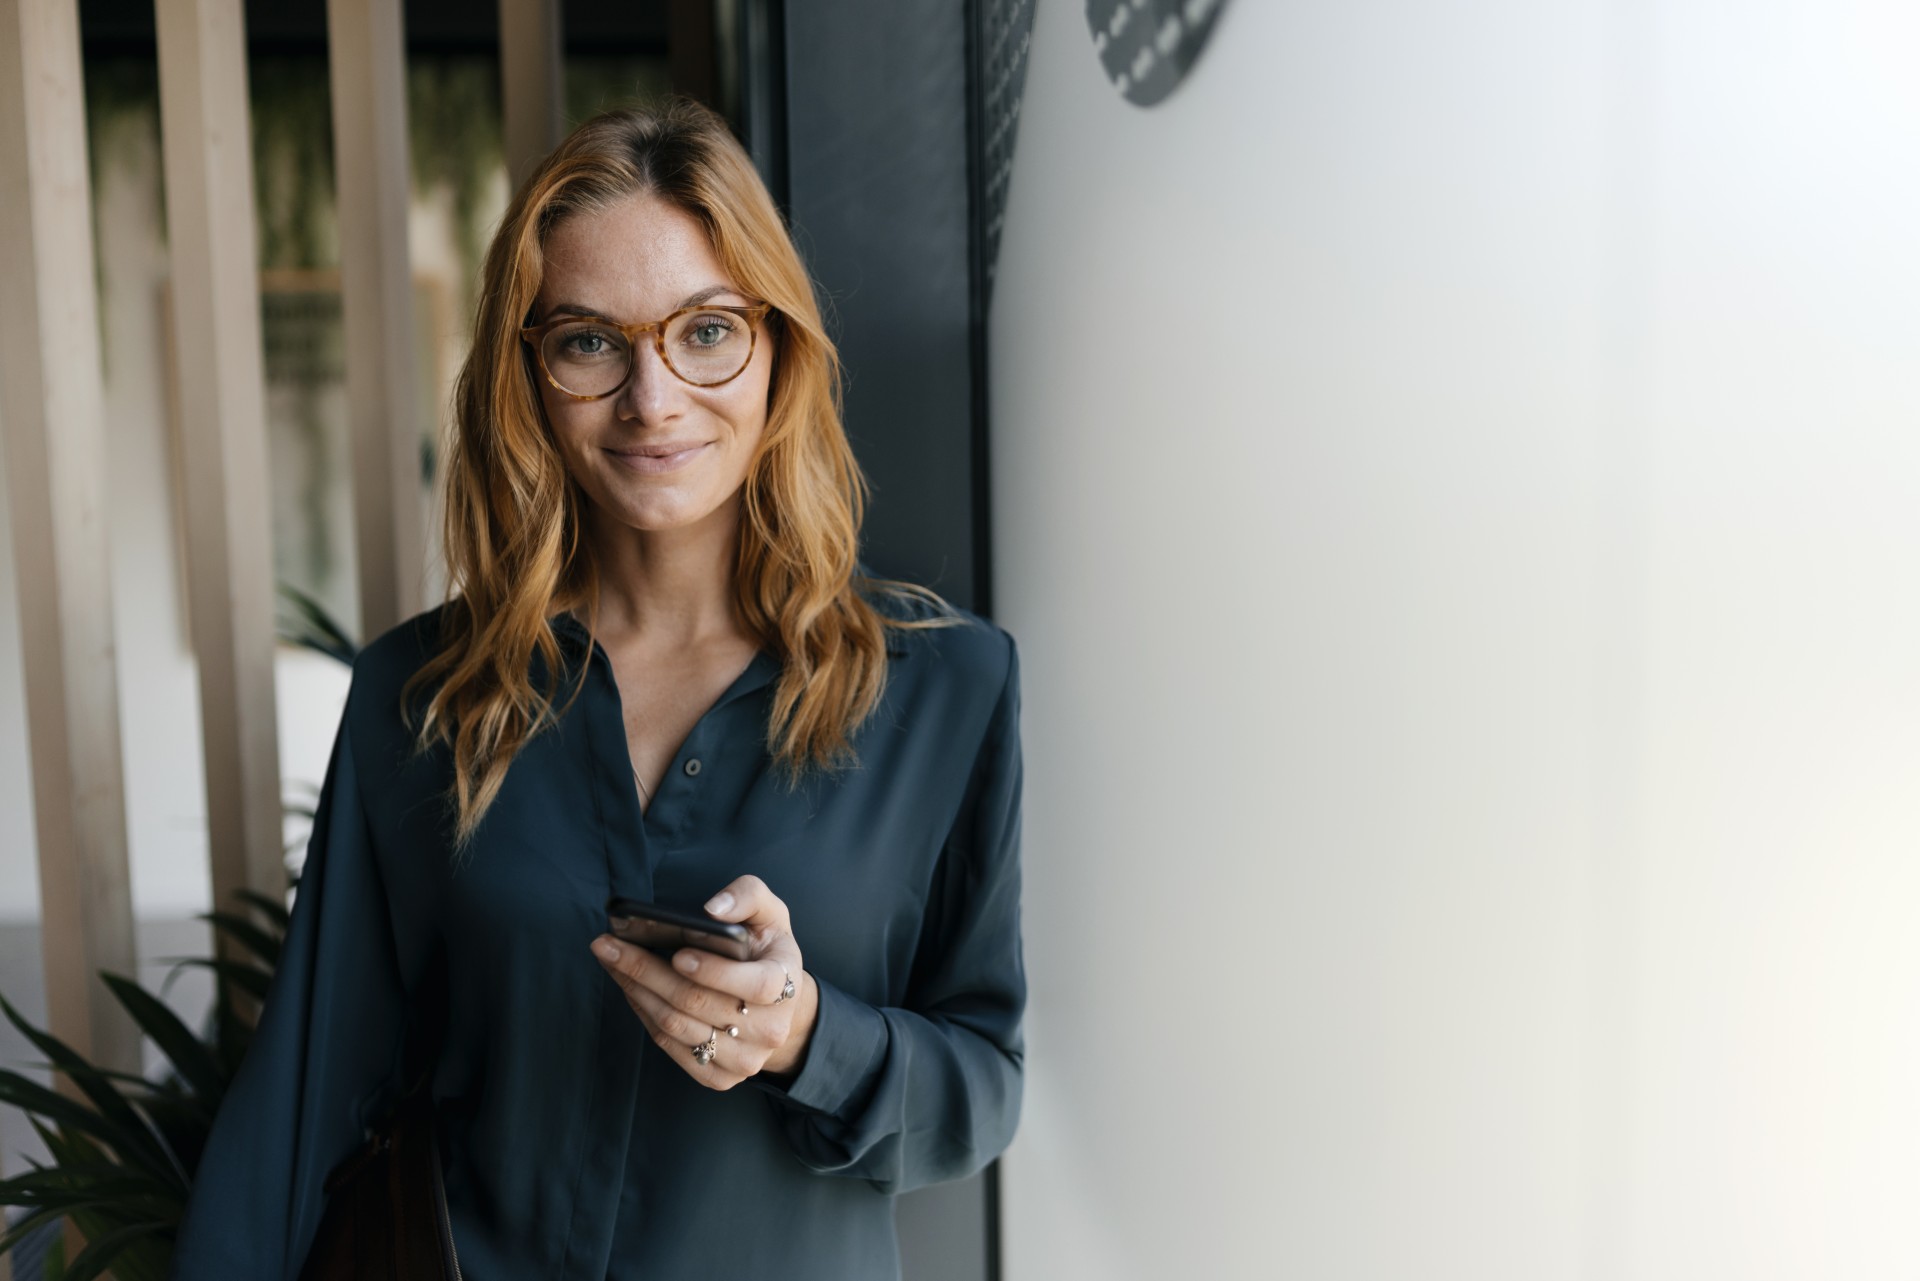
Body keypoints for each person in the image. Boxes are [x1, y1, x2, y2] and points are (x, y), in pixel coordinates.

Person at [167, 98, 1025, 1280]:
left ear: (777, 346)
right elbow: (308, 1095)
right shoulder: (422, 697)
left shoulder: (949, 687)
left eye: (706, 331)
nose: (652, 398)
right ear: (528, 372)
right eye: (588, 341)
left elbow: (982, 1092)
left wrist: (809, 1038)